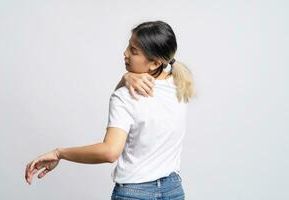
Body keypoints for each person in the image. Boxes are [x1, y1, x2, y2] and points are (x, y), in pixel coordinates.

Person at [25, 20, 196, 200]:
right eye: (128, 47)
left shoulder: (124, 96)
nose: (125, 53)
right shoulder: (180, 84)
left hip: (135, 194)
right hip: (173, 190)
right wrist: (125, 79)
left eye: (134, 51)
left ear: (154, 63)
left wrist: (60, 153)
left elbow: (110, 152)